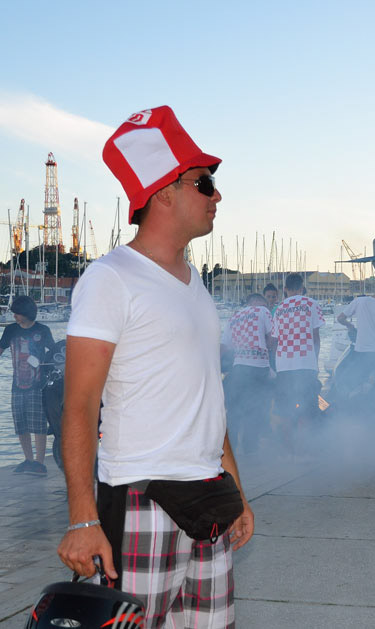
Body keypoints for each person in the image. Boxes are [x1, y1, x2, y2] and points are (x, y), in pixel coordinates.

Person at [57, 106, 253, 626]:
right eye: (205, 183)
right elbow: (79, 405)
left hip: (209, 497)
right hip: (143, 496)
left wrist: (236, 491)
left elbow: (207, 397)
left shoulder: (195, 284)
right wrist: (82, 518)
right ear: (164, 192)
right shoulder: (110, 278)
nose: (217, 196)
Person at [2, 295, 56, 476]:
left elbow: (54, 355)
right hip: (17, 385)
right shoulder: (10, 330)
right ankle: (28, 460)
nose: (14, 316)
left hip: (38, 385)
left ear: (26, 312)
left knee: (38, 424)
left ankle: (40, 463)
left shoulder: (43, 330)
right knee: (21, 424)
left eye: (17, 313)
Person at [272, 272, 325, 441]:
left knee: (285, 410)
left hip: (284, 365)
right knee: (308, 409)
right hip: (306, 363)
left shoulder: (279, 309)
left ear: (285, 289)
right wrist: (315, 363)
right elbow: (316, 337)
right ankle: (306, 449)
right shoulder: (311, 303)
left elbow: (276, 341)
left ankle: (288, 452)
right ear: (302, 288)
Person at [221, 293, 274, 453]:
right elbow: (273, 337)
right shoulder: (263, 311)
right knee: (256, 410)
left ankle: (232, 450)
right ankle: (250, 450)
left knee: (235, 411)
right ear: (258, 303)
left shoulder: (234, 317)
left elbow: (224, 347)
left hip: (239, 369)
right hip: (259, 368)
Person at [336, 278, 375, 394]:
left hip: (362, 353)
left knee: (353, 381)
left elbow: (340, 318)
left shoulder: (359, 301)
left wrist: (350, 326)